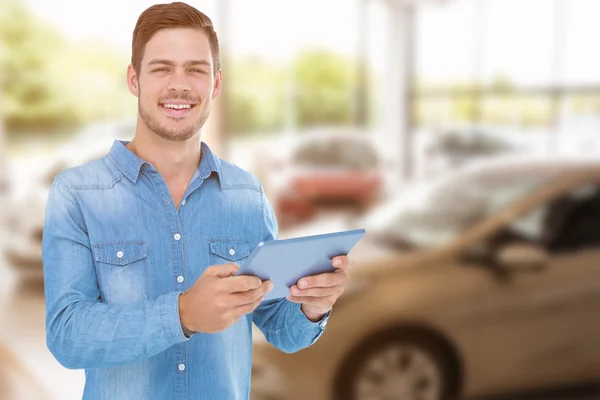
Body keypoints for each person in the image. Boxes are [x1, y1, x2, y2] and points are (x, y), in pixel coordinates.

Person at [42, 2, 354, 399]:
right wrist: (182, 313)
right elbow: (67, 336)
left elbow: (280, 328)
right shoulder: (77, 194)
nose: (180, 84)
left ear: (216, 83)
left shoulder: (246, 195)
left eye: (196, 68)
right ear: (134, 79)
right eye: (161, 68)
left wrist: (314, 306)